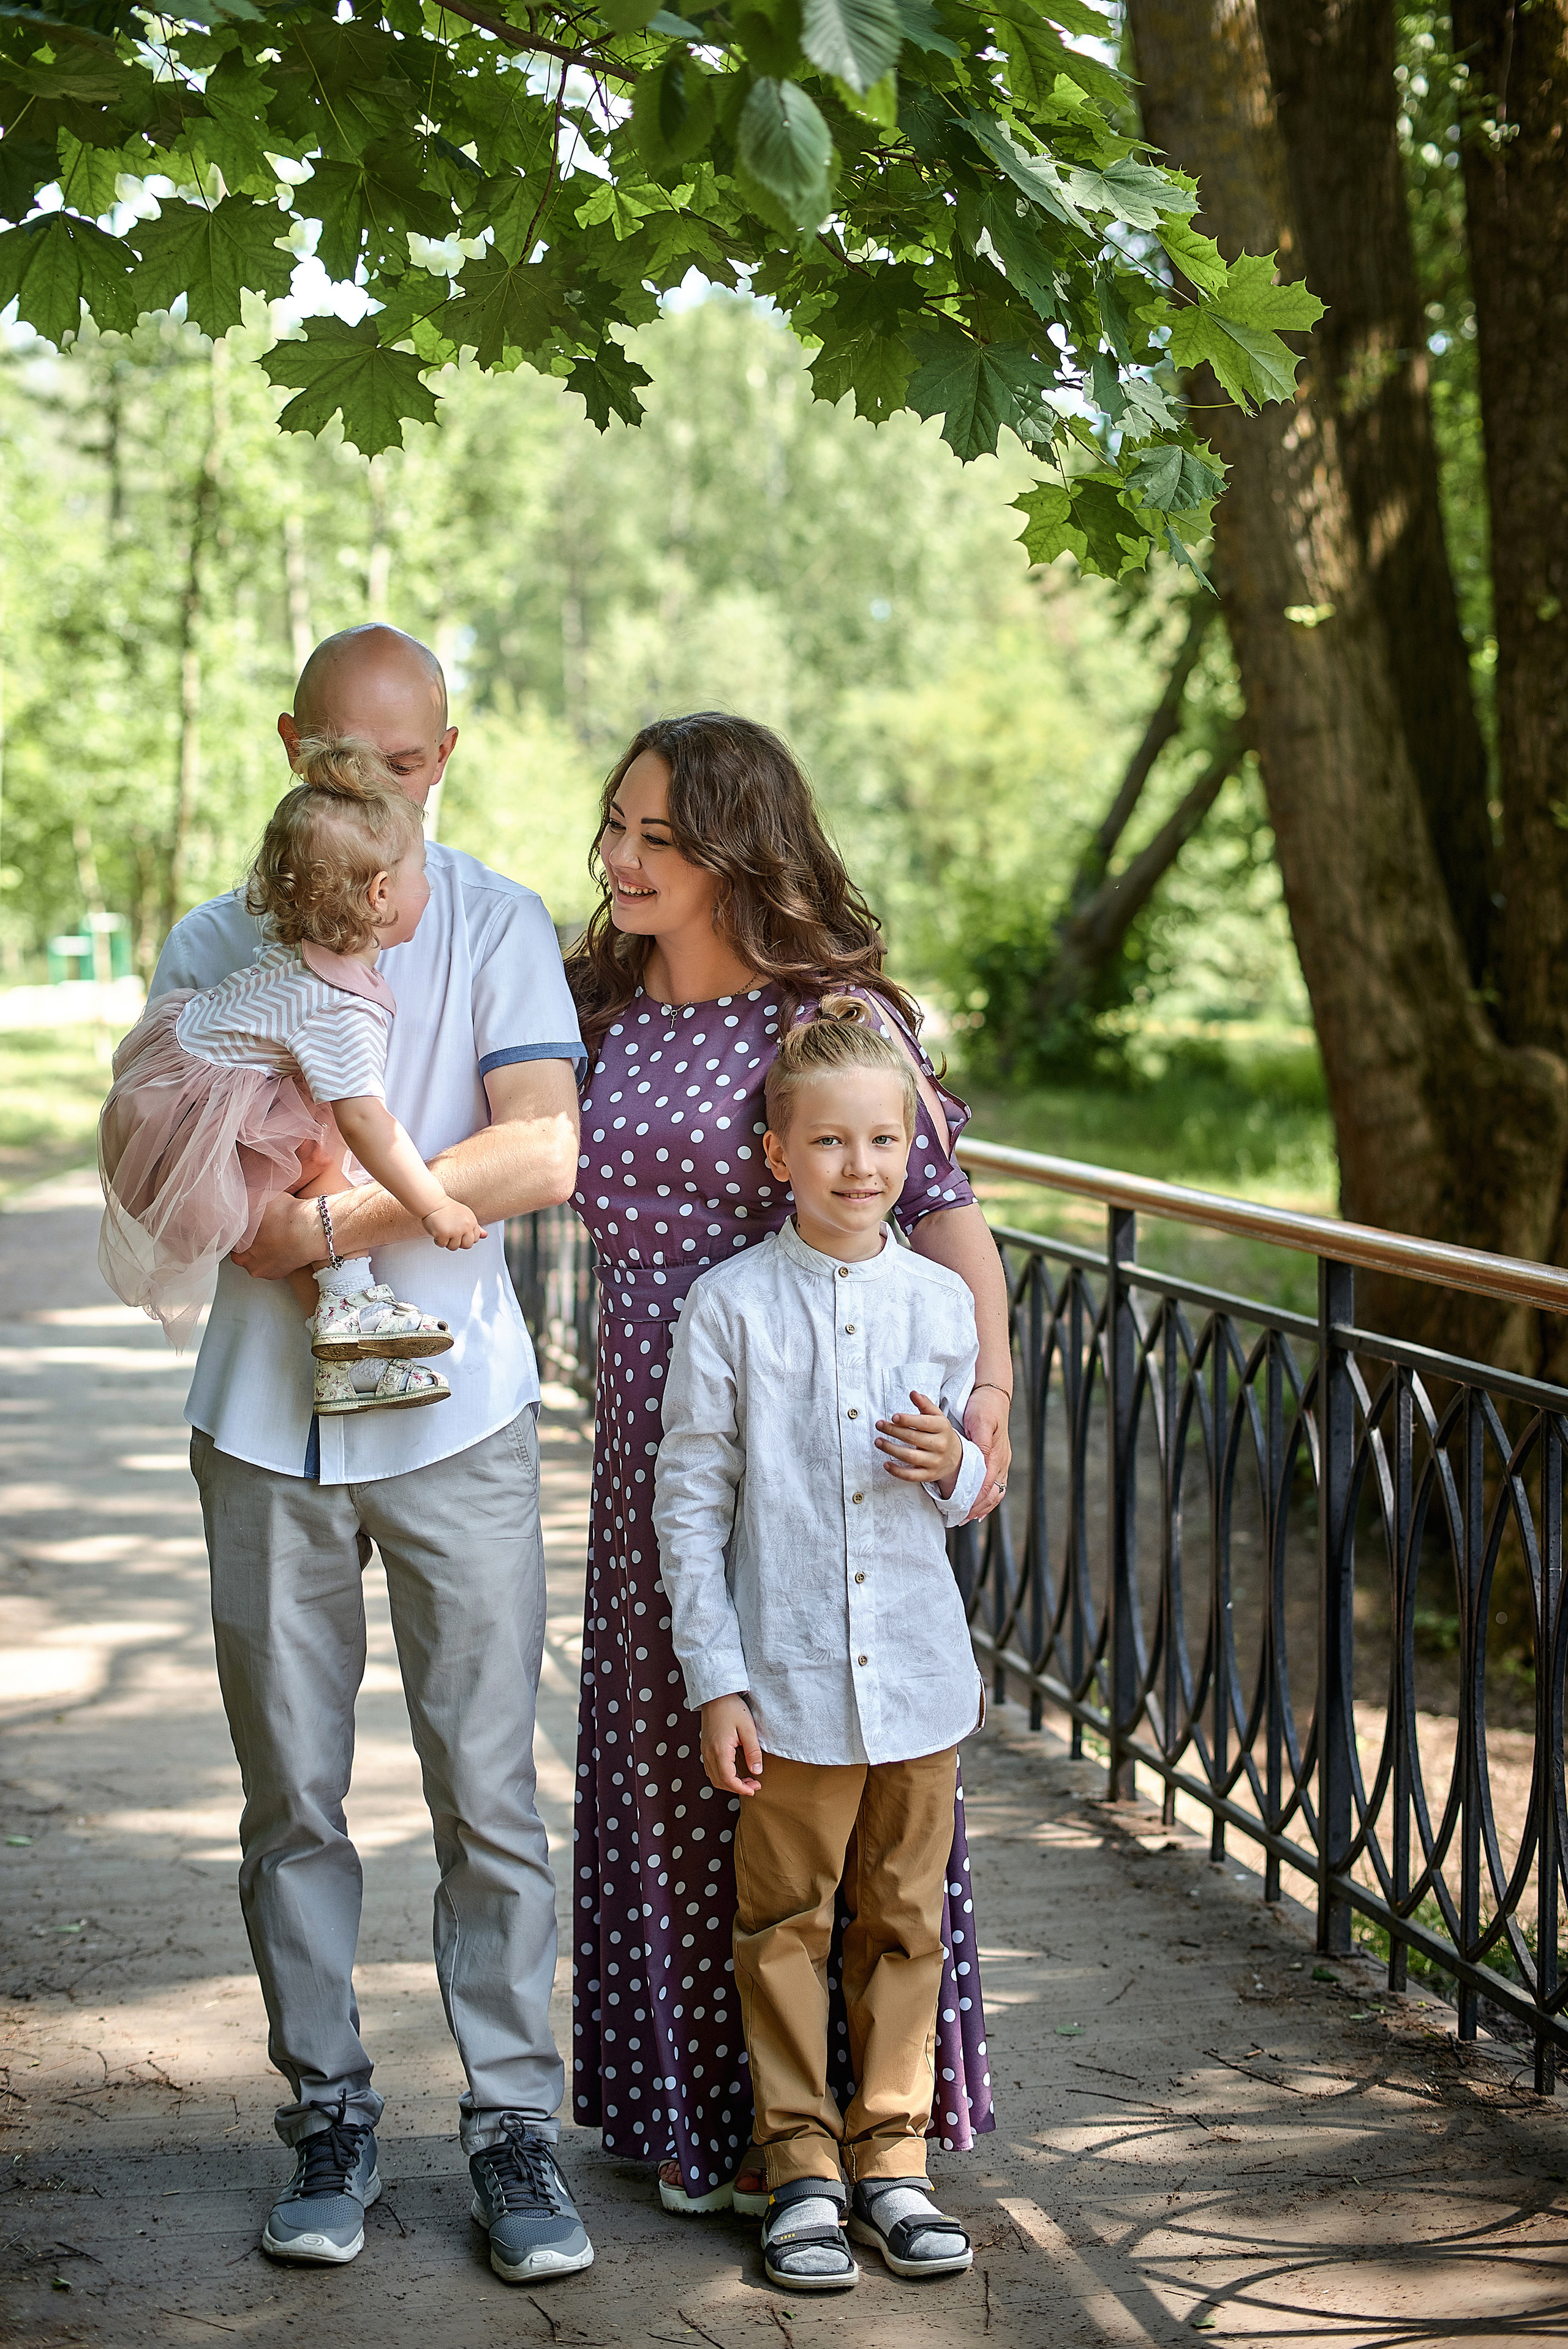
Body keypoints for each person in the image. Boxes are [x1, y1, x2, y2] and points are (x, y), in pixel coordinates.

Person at [151, 625, 595, 2285]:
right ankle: (327, 2110)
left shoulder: (488, 917)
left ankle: (511, 2124)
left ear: (447, 757)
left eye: (404, 764)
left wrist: (334, 1210)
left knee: (489, 1788)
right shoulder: (216, 935)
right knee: (291, 1795)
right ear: (290, 742)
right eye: (343, 754)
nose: (374, 788)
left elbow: (541, 1139)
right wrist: (369, 1206)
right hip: (264, 1422)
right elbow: (192, 1191)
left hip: (461, 1413)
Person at [565, 712, 1012, 2217]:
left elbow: (944, 1214)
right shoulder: (596, 1007)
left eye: (656, 836)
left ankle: (846, 2141)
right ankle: (704, 2115)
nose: (620, 857)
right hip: (662, 1460)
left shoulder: (828, 1019)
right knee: (688, 1772)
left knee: (842, 1810)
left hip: (819, 1465)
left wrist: (990, 1397)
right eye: (614, 826)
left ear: (735, 851)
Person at [654, 1002, 986, 2291]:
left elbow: (964, 1488)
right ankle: (797, 2166)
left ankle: (892, 2161)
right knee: (783, 1921)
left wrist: (954, 1464)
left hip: (915, 1676)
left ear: (913, 1149)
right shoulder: (727, 1306)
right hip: (785, 1684)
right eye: (832, 1142)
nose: (862, 1167)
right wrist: (716, 1681)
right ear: (774, 1153)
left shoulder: (939, 1302)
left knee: (901, 1922)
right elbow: (690, 1500)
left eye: (886, 1140)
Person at [100, 736, 472, 1417]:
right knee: (324, 1159)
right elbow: (370, 1125)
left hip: (192, 1081)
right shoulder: (339, 1006)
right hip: (193, 1118)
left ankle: (342, 1354)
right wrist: (434, 1204)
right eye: (423, 871)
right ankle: (353, 1314)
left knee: (316, 1173)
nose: (431, 885)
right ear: (383, 893)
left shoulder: (309, 948)